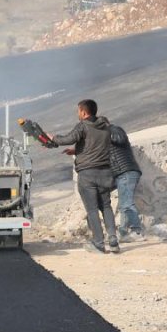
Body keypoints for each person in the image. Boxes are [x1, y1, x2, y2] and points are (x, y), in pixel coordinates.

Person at [46, 99, 119, 254]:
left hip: (87, 174)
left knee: (92, 209)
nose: (77, 114)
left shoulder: (83, 126)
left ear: (84, 112)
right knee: (106, 206)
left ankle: (99, 243)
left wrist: (52, 137)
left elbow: (68, 139)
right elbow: (95, 146)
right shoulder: (106, 127)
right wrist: (77, 151)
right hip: (105, 172)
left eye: (78, 111)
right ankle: (113, 239)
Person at [109, 123, 144, 241]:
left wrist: (106, 135)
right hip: (124, 172)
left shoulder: (115, 131)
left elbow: (120, 139)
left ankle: (137, 231)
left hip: (126, 172)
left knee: (127, 204)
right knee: (124, 204)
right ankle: (123, 233)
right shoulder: (112, 133)